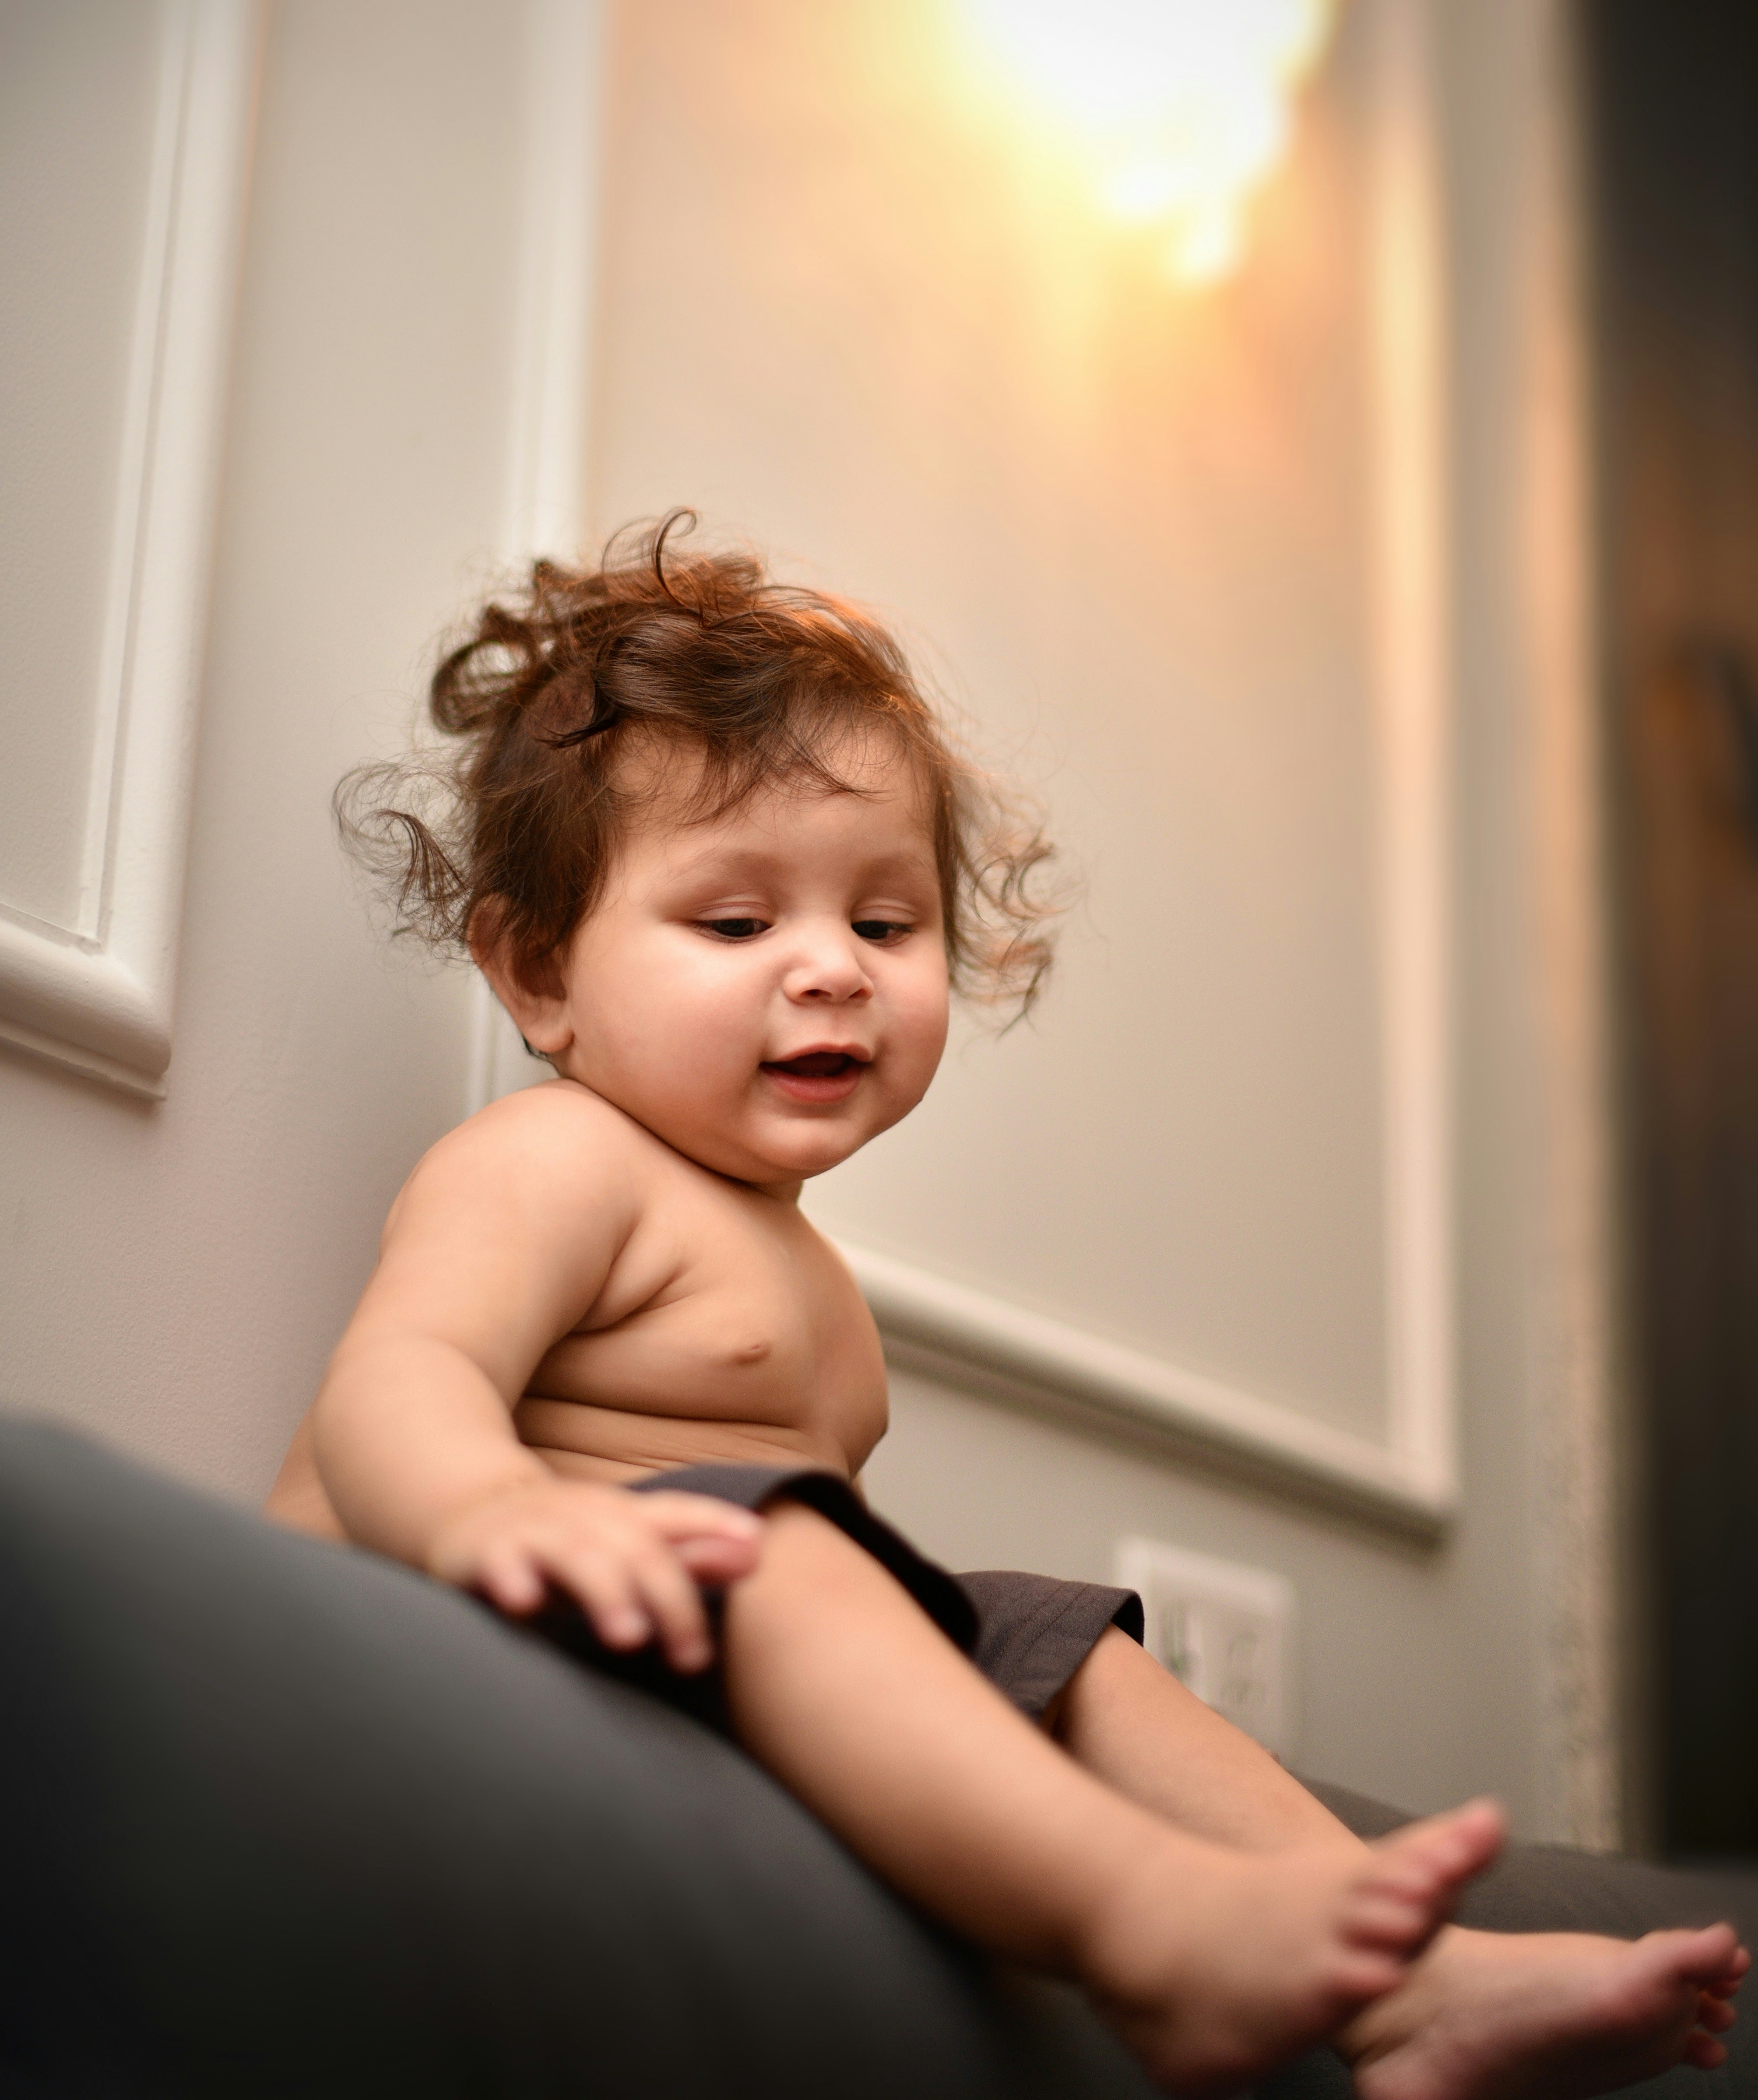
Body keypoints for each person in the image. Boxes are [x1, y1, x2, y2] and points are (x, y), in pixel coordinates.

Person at [269, 516, 1744, 2097]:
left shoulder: (812, 1279)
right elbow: (394, 1380)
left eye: (885, 924)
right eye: (736, 922)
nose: (832, 968)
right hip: (459, 1629)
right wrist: (492, 1506)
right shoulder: (556, 1158)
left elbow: (851, 1622)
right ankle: (1152, 1929)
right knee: (789, 1552)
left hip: (688, 1660)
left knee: (1043, 1633)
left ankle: (1409, 1987)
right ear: (537, 972)